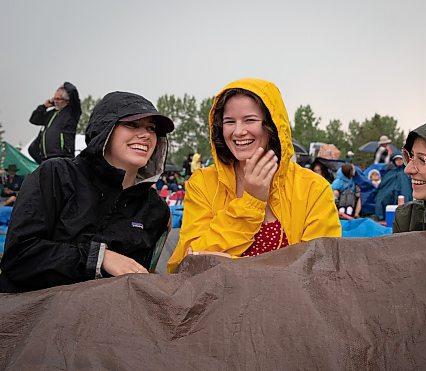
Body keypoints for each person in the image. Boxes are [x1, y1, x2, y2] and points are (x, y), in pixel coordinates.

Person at [0, 91, 175, 293]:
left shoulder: (155, 210)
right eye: (132, 124)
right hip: (31, 313)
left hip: (102, 319)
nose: (145, 135)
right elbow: (18, 257)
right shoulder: (57, 176)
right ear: (105, 130)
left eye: (151, 128)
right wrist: (99, 258)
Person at [167, 78, 341, 272]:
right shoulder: (202, 183)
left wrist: (231, 264)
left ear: (272, 126)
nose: (239, 131)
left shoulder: (313, 188)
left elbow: (320, 268)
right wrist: (251, 202)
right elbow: (187, 263)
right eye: (229, 122)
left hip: (290, 301)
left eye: (250, 120)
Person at [28, 82, 82, 163]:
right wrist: (44, 106)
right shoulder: (51, 114)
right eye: (54, 98)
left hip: (62, 158)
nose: (55, 101)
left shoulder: (72, 112)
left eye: (58, 99)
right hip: (46, 159)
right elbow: (34, 119)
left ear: (67, 100)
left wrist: (64, 85)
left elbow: (73, 91)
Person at [374, 153, 412, 221]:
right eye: (397, 159)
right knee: (382, 198)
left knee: (406, 197)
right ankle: (381, 217)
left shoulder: (408, 172)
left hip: (404, 191)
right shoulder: (390, 172)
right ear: (394, 161)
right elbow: (383, 184)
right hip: (390, 191)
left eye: (400, 159)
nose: (399, 161)